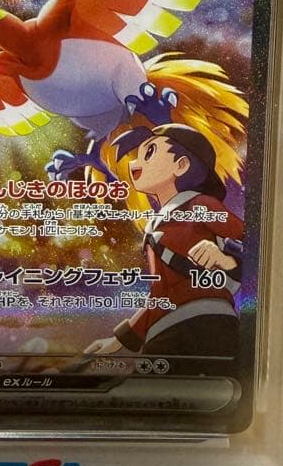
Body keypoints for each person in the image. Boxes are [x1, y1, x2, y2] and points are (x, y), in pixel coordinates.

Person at [85, 123, 244, 365]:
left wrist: (226, 259)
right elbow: (160, 295)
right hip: (168, 328)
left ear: (181, 165)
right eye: (137, 156)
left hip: (207, 322)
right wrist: (119, 340)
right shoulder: (156, 225)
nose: (134, 164)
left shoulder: (200, 204)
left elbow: (255, 244)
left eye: (149, 153)